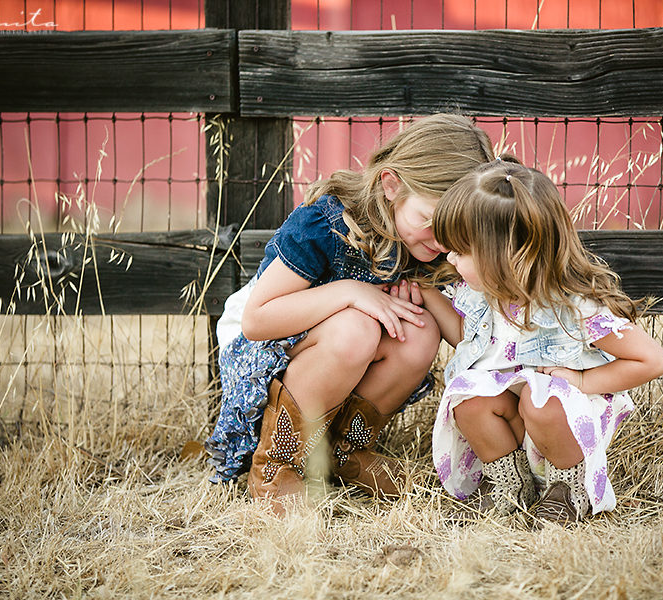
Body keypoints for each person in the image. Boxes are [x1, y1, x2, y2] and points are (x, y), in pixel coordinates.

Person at [205, 114, 496, 507]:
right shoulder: (327, 222)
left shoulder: (429, 245)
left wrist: (426, 291)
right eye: (429, 221)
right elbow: (257, 320)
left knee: (419, 329)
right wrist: (349, 291)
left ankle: (343, 452)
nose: (443, 242)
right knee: (355, 329)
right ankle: (276, 465)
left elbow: (467, 339)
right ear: (391, 185)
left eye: (454, 229)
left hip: (334, 355)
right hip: (261, 351)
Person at [416, 158, 663, 524]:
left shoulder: (574, 306)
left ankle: (568, 488)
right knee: (468, 399)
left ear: (509, 253)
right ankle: (510, 484)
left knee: (541, 400)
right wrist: (425, 293)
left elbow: (652, 361)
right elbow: (469, 341)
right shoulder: (484, 293)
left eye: (462, 250)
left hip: (564, 420)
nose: (450, 258)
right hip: (517, 420)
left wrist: (583, 380)